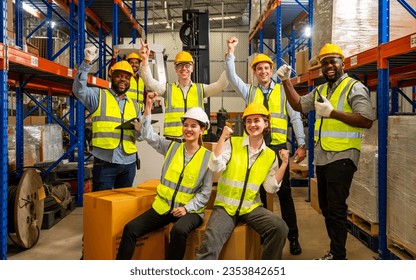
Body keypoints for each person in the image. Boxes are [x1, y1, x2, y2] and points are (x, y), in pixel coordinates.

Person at [276, 43, 374, 260]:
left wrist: (333, 113)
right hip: (322, 158)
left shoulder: (353, 87)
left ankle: (338, 256)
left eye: (333, 61)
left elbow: (366, 119)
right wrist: (285, 81)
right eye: (325, 63)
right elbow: (299, 105)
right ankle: (335, 253)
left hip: (343, 156)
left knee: (336, 209)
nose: (329, 66)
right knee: (328, 209)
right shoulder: (320, 89)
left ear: (342, 63)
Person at [224, 36, 306, 255]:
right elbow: (232, 77)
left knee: (284, 194)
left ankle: (294, 237)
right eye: (259, 68)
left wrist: (301, 143)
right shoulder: (250, 92)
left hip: (279, 148)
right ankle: (264, 235)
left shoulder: (283, 90)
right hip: (257, 149)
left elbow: (295, 117)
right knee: (258, 193)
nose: (263, 71)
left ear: (271, 70)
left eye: (266, 68)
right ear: (254, 72)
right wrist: (231, 52)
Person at [116, 92, 213, 260]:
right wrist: (148, 108)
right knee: (130, 228)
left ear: (202, 129)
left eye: (193, 126)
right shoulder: (171, 147)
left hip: (190, 211)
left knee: (179, 230)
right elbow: (148, 136)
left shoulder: (208, 157)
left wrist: (186, 208)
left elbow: (205, 193)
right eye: (186, 125)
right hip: (163, 207)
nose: (188, 129)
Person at [196, 103, 289, 260]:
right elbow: (215, 165)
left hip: (251, 207)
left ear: (265, 123)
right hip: (225, 207)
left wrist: (285, 163)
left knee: (280, 228)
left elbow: (270, 188)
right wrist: (222, 138)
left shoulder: (270, 156)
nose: (252, 125)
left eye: (256, 120)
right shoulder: (233, 144)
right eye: (248, 121)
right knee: (210, 243)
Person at [72, 46, 141, 192]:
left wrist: (140, 131)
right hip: (105, 162)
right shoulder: (98, 96)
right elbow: (78, 90)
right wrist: (87, 62)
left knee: (123, 207)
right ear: (111, 76)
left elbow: (139, 137)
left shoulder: (134, 105)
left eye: (127, 77)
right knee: (103, 206)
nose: (123, 80)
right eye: (119, 76)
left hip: (129, 162)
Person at [138, 43, 228, 139]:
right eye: (180, 65)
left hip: (196, 139)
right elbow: (149, 82)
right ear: (175, 69)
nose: (184, 68)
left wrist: (229, 64)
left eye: (187, 65)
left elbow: (221, 85)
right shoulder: (167, 89)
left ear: (192, 68)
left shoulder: (201, 89)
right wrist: (144, 60)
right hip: (173, 139)